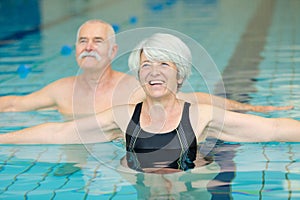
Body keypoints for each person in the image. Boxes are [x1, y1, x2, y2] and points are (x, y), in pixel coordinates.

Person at [0, 33, 299, 174]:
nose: (154, 72)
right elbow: (58, 134)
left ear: (179, 74)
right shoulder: (120, 118)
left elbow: (272, 129)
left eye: (163, 65)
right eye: (146, 66)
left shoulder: (200, 116)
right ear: (139, 74)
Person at [0, 19, 293, 117]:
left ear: (113, 51)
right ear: (76, 49)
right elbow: (15, 103)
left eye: (97, 41)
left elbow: (197, 100)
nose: (88, 46)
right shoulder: (60, 90)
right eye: (82, 41)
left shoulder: (133, 88)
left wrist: (257, 110)